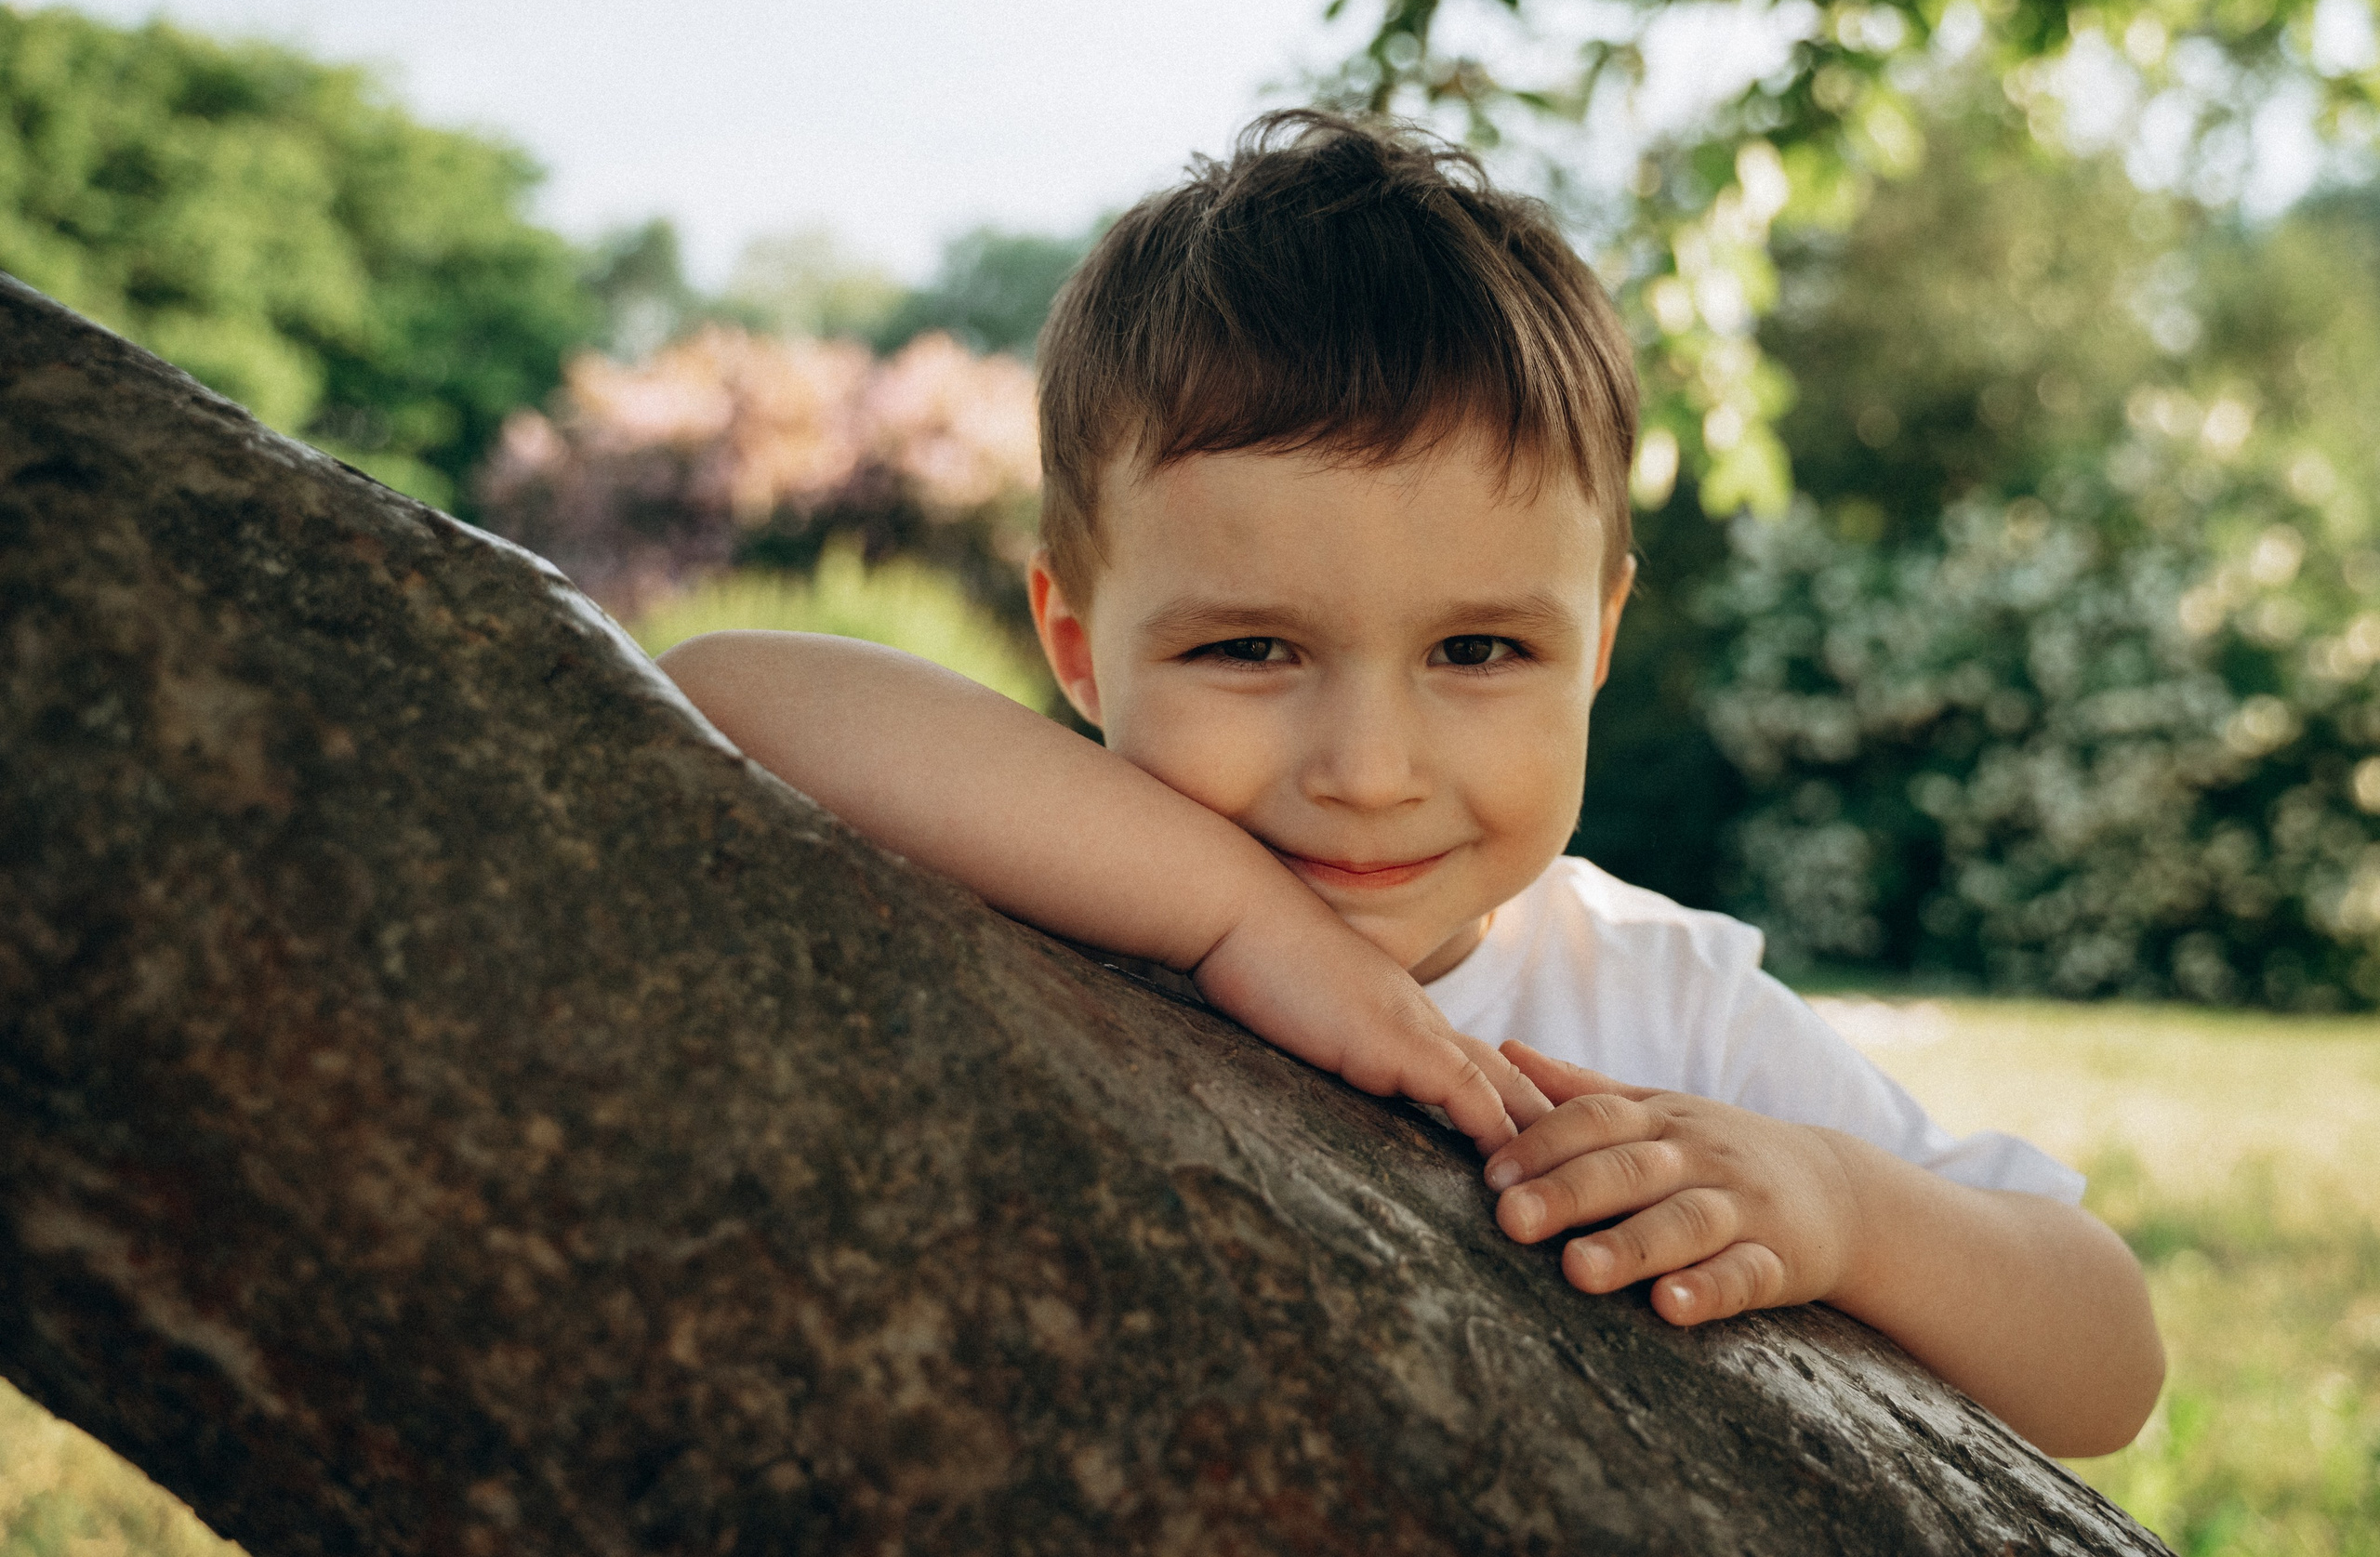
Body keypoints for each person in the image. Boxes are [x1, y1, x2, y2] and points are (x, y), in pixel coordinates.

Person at [658, 110, 2162, 1457]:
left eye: (1479, 649)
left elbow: (2109, 1361)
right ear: (1075, 643)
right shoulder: (1062, 875)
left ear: (1597, 644)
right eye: (1250, 648)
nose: (1369, 772)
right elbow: (719, 693)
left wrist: (1840, 1208)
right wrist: (1239, 924)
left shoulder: (1662, 1011)